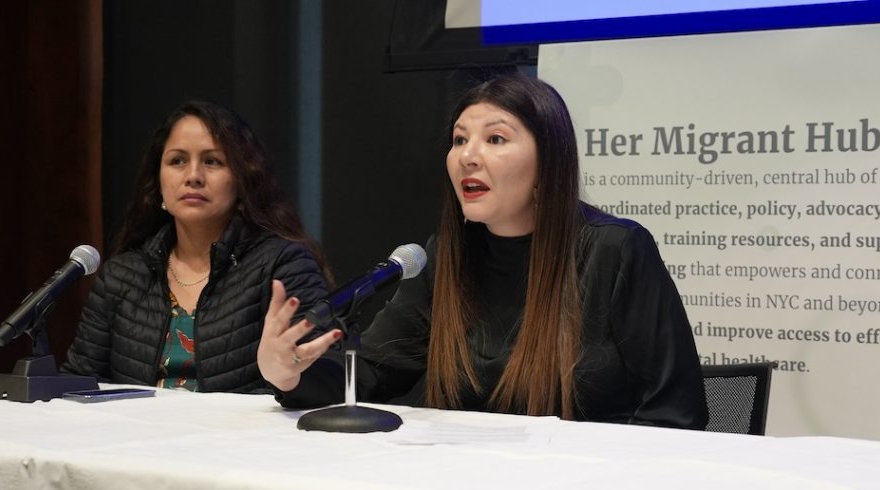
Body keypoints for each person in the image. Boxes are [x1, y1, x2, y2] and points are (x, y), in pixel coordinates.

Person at [258, 76, 708, 428]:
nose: (468, 156)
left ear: (548, 161)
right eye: (459, 140)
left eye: (495, 139)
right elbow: (373, 374)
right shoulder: (445, 258)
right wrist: (290, 374)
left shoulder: (616, 251)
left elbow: (675, 413)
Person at [62, 100, 330, 393]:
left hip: (244, 438)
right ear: (158, 180)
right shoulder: (121, 276)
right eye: (177, 161)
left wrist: (286, 375)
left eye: (212, 161)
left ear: (242, 179)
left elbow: (324, 379)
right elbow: (78, 385)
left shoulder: (283, 266)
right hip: (137, 437)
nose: (193, 176)